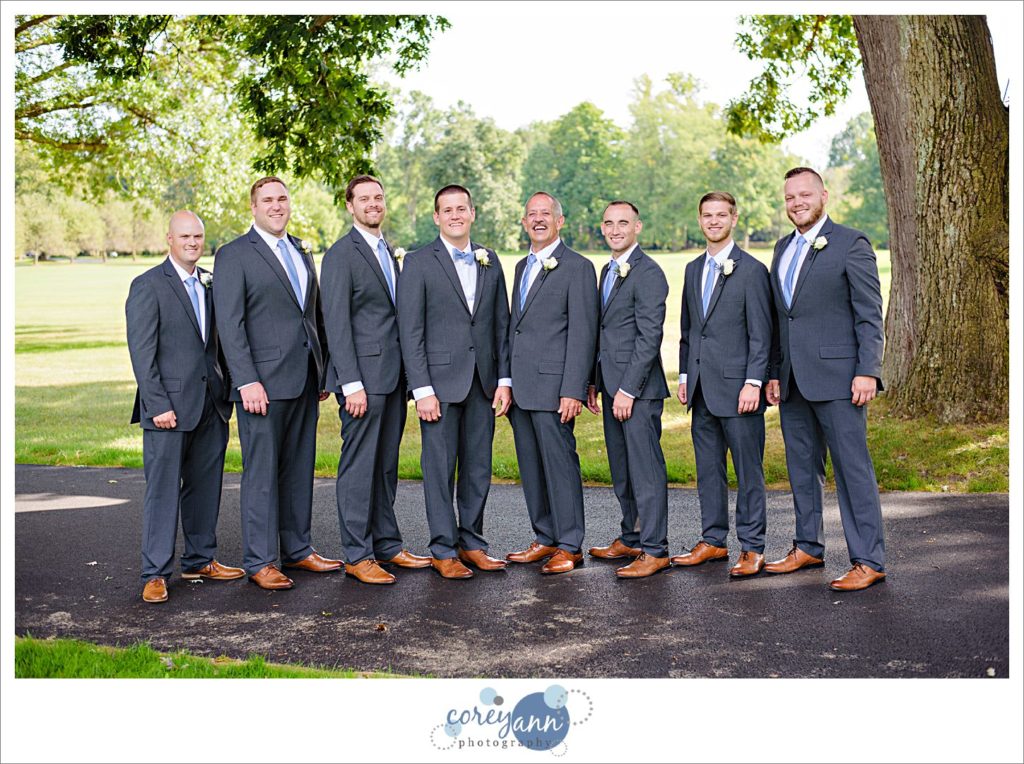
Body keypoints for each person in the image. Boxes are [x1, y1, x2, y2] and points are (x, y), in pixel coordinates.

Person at [213, 177, 341, 590]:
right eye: (267, 200)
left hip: (304, 379)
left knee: (299, 469)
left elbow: (314, 313)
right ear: (253, 207)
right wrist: (246, 380)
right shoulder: (233, 255)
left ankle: (298, 549)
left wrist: (321, 369)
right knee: (262, 473)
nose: (276, 205)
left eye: (282, 199)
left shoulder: (302, 249)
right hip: (261, 385)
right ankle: (261, 560)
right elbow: (229, 326)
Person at [765, 167, 887, 591]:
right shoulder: (781, 248)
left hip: (840, 378)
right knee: (801, 468)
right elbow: (782, 318)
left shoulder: (850, 243)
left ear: (824, 195)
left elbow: (869, 314)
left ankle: (868, 559)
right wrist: (773, 372)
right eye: (789, 197)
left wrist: (868, 370)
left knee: (853, 470)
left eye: (804, 195)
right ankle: (807, 546)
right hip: (793, 380)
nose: (796, 203)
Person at [396, 185, 512, 579]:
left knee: (478, 467)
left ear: (472, 213)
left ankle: (472, 542)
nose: (456, 215)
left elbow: (501, 324)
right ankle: (443, 549)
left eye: (462, 208)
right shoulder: (417, 262)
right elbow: (410, 331)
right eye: (448, 210)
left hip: (483, 383)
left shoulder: (489, 260)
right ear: (436, 217)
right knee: (440, 469)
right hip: (439, 388)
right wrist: (422, 389)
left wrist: (504, 380)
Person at [320, 175, 431, 585]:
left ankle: (386, 544)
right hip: (362, 383)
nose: (373, 204)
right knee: (358, 467)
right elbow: (336, 323)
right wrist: (350, 383)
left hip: (392, 379)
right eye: (364, 199)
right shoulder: (340, 255)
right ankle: (357, 554)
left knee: (385, 467)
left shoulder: (388, 250)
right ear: (350, 206)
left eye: (378, 197)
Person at [126, 210, 242, 603]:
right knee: (162, 492)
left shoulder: (212, 283)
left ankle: (200, 559)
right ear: (169, 240)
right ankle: (155, 572)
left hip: (211, 405)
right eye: (185, 236)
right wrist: (156, 403)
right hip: (167, 409)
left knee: (205, 487)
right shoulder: (147, 286)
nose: (193, 243)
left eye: (198, 236)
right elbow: (143, 353)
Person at [673, 192, 772, 578]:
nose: (713, 221)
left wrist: (753, 382)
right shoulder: (693, 269)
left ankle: (752, 546)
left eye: (721, 215)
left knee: (749, 472)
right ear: (700, 220)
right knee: (708, 470)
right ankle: (713, 540)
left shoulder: (751, 270)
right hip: (700, 390)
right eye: (707, 215)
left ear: (734, 218)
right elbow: (689, 330)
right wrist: (684, 375)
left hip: (739, 390)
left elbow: (762, 335)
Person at [505, 192, 599, 574]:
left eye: (546, 214)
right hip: (522, 389)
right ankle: (544, 538)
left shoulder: (577, 267)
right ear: (525, 222)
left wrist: (573, 388)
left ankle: (570, 545)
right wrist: (506, 382)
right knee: (531, 466)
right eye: (532, 214)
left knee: (560, 467)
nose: (539, 220)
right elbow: (516, 329)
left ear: (560, 221)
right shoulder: (520, 267)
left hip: (555, 388)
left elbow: (583, 332)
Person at [585, 201, 671, 578]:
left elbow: (649, 337)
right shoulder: (607, 270)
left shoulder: (649, 273)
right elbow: (601, 332)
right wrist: (593, 381)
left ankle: (655, 549)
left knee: (645, 470)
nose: (615, 229)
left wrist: (628, 390)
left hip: (638, 390)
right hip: (609, 386)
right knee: (622, 468)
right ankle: (631, 535)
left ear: (638, 227)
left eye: (623, 223)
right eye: (608, 223)